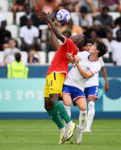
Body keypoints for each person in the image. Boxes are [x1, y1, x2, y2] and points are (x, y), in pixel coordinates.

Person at [38, 10, 85, 144]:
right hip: (51, 73)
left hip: (57, 73)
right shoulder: (67, 47)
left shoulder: (71, 43)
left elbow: (60, 35)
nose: (77, 35)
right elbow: (56, 44)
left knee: (53, 100)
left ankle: (69, 124)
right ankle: (62, 130)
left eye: (80, 36)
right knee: (47, 105)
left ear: (80, 42)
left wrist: (50, 20)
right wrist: (50, 25)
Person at [62, 39, 107, 144]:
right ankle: (67, 130)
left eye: (93, 46)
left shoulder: (97, 65)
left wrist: (77, 64)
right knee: (67, 103)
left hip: (79, 88)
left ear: (97, 51)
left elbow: (85, 75)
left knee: (83, 108)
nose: (90, 47)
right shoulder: (83, 54)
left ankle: (80, 133)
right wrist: (71, 58)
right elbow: (73, 60)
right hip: (68, 83)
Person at [83, 39, 109, 132]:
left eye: (92, 45)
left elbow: (103, 69)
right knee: (82, 107)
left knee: (90, 103)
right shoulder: (83, 56)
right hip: (82, 84)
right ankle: (83, 125)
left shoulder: (99, 59)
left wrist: (106, 82)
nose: (90, 47)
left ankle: (88, 127)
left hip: (93, 84)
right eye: (88, 45)